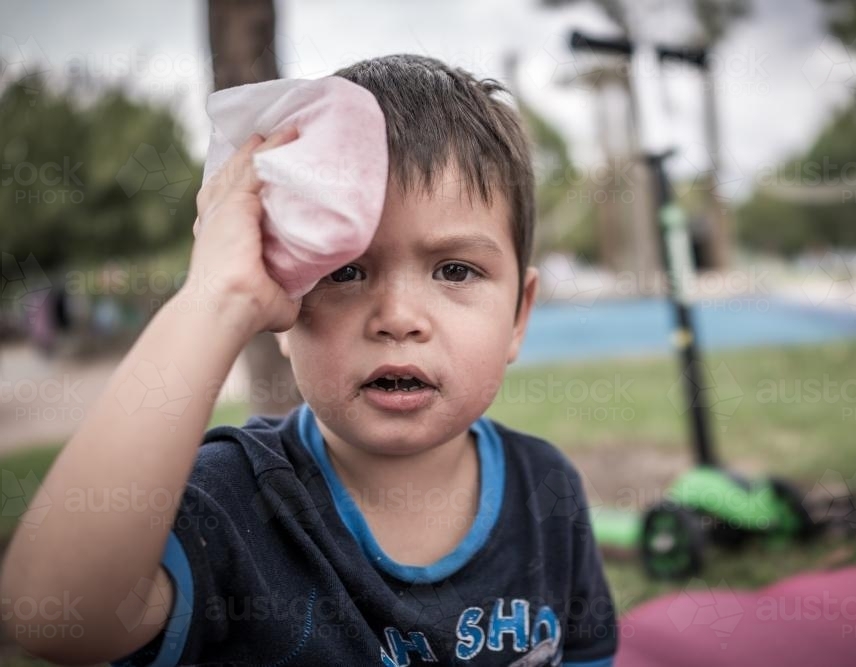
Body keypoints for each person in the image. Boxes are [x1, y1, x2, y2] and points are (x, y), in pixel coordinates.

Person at [0, 55, 619, 667]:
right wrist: (216, 298)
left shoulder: (548, 490)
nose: (398, 316)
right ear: (284, 302)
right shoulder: (233, 505)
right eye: (344, 271)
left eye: (454, 269)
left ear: (519, 314)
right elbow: (55, 616)